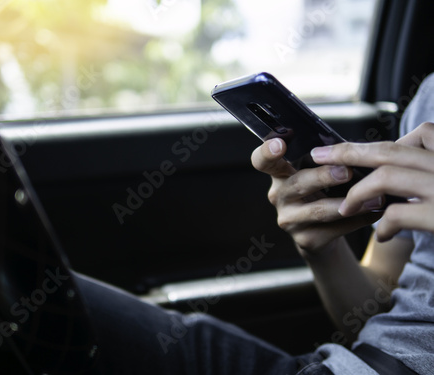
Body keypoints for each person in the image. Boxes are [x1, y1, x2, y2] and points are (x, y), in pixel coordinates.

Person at [75, 73, 434, 375]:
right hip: (346, 364)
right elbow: (382, 316)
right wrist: (323, 249)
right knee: (53, 298)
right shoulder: (429, 96)